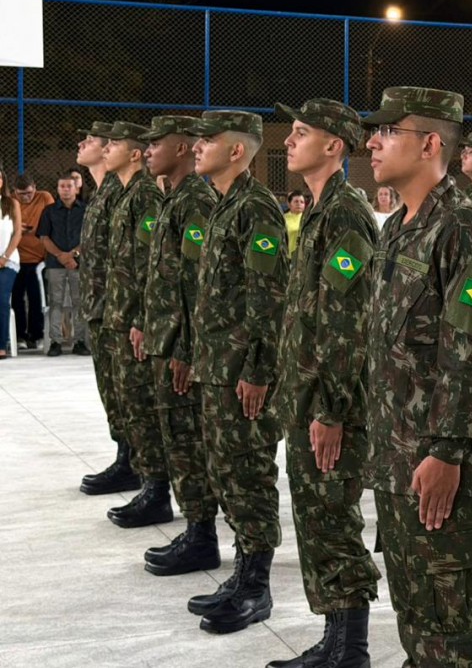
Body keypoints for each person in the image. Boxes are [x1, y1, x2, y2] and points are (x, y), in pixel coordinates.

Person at [363, 87, 472, 667]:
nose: (372, 141)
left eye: (387, 131)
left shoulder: (464, 230)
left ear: (428, 144)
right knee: (417, 618)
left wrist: (448, 450)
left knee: (450, 628)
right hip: (401, 458)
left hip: (446, 466)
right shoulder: (399, 227)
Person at [266, 98, 381, 668]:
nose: (289, 140)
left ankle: (351, 648)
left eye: (301, 131)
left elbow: (348, 321)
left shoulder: (345, 214)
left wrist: (332, 409)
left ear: (334, 145)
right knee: (316, 517)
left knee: (332, 518)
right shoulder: (318, 211)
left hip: (330, 403)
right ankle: (337, 639)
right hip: (308, 397)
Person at [187, 110, 287, 635]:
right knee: (227, 472)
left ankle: (257, 587)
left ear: (237, 152)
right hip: (215, 367)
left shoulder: (258, 210)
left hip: (241, 374)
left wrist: (258, 370)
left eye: (209, 139)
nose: (197, 146)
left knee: (249, 475)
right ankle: (242, 571)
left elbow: (266, 297)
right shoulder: (225, 207)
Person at [137, 115, 222, 576]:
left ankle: (202, 535)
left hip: (183, 349)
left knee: (189, 442)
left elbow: (196, 284)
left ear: (183, 148)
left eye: (157, 143)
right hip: (167, 342)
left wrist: (186, 349)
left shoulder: (196, 203)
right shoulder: (175, 200)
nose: (148, 150)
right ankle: (195, 530)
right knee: (178, 439)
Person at [99, 121, 172, 529]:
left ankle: (155, 488)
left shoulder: (144, 195)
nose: (105, 149)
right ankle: (146, 480)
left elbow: (150, 265)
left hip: (134, 322)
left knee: (143, 407)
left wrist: (142, 319)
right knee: (130, 404)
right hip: (119, 316)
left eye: (113, 144)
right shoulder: (127, 194)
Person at [78, 122, 139, 495]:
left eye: (92, 140)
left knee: (125, 392)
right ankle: (125, 456)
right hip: (101, 308)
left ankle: (132, 462)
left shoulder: (122, 193)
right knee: (111, 390)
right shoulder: (102, 193)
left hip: (117, 309)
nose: (83, 144)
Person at [38, 172, 88, 356]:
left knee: (79, 302)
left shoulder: (85, 210)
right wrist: (61, 255)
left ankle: (80, 341)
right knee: (56, 302)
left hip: (78, 264)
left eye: (69, 186)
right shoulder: (49, 211)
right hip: (55, 264)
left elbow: (89, 237)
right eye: (62, 186)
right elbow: (44, 237)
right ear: (57, 189)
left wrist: (73, 254)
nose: (65, 190)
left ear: (76, 188)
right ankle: (56, 342)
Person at [11, 173, 54, 350]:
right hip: (16, 257)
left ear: (35, 187)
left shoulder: (44, 197)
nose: (26, 197)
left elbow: (53, 218)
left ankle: (37, 335)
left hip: (39, 259)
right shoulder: (9, 202)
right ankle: (20, 335)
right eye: (21, 194)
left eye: (29, 192)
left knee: (37, 298)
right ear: (15, 192)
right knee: (17, 298)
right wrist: (16, 227)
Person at [0, 167, 22, 359]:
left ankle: (1, 345)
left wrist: (4, 257)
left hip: (7, 262)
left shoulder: (10, 204)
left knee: (1, 300)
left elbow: (17, 233)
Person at [284, 189, 306, 256]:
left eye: (302, 202)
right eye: (296, 201)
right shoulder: (283, 218)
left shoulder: (308, 218)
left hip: (303, 257)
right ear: (289, 204)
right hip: (287, 256)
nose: (299, 204)